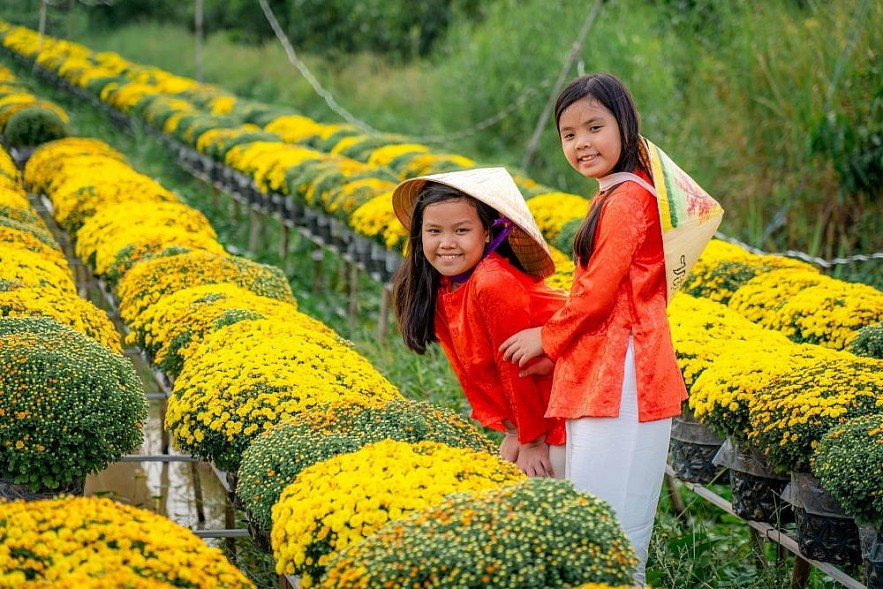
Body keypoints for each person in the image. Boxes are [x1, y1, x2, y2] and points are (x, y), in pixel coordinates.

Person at [500, 73, 688, 585]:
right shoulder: (610, 195)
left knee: (609, 522)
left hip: (627, 373)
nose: (581, 143)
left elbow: (598, 290)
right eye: (568, 134)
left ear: (625, 126)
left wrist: (547, 337)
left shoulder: (628, 198)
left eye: (594, 127)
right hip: (602, 367)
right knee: (595, 513)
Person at [391, 167, 567, 478]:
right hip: (533, 413)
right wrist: (513, 430)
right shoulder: (440, 285)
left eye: (461, 231)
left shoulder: (493, 282)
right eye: (434, 231)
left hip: (563, 402)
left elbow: (516, 368)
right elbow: (469, 371)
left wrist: (532, 440)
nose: (446, 243)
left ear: (486, 233)